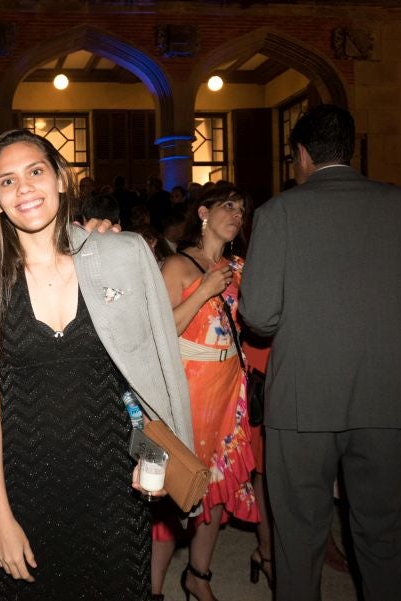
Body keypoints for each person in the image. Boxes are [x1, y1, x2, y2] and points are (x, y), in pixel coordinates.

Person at [0, 129, 193, 600]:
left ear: (60, 179)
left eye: (36, 172)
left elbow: (157, 367)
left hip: (115, 481)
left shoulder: (124, 254)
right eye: (7, 182)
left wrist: (157, 456)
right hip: (26, 487)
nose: (25, 189)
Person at [240, 104, 401, 601]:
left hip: (302, 403)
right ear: (349, 150)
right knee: (385, 539)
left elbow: (260, 316)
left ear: (303, 155)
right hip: (390, 396)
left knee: (299, 540)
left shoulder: (279, 213)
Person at [152, 185, 258, 601]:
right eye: (228, 205)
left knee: (218, 484)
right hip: (188, 387)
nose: (236, 213)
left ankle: (199, 574)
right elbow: (161, 332)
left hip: (229, 385)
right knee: (175, 486)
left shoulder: (241, 266)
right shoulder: (178, 264)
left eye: (242, 209)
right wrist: (204, 289)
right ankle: (154, 589)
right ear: (202, 213)